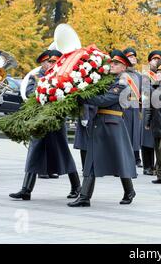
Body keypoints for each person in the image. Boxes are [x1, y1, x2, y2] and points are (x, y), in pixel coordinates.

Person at [68, 50, 137, 207]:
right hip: (100, 124)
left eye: (117, 63)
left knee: (119, 160)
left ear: (124, 67)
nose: (112, 65)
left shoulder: (122, 83)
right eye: (112, 62)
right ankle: (85, 197)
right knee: (91, 161)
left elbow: (106, 100)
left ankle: (129, 190)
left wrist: (84, 96)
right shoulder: (107, 80)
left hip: (113, 125)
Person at [9, 50, 81, 200]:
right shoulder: (35, 77)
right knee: (34, 151)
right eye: (49, 62)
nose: (52, 64)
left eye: (55, 62)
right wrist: (43, 87)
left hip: (56, 120)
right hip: (39, 119)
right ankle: (26, 190)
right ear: (42, 63)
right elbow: (29, 94)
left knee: (63, 152)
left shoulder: (64, 77)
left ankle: (76, 186)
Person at [141, 50, 161, 175]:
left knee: (157, 138)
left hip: (160, 109)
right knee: (147, 138)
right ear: (149, 61)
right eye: (154, 59)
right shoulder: (146, 74)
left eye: (158, 59)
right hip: (148, 107)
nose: (156, 61)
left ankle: (157, 166)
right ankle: (147, 166)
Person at [122, 47, 143, 168]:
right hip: (125, 107)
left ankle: (136, 157)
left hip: (136, 108)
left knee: (136, 133)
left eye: (134, 56)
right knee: (126, 133)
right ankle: (126, 157)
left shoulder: (139, 75)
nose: (133, 58)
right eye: (130, 56)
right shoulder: (122, 75)